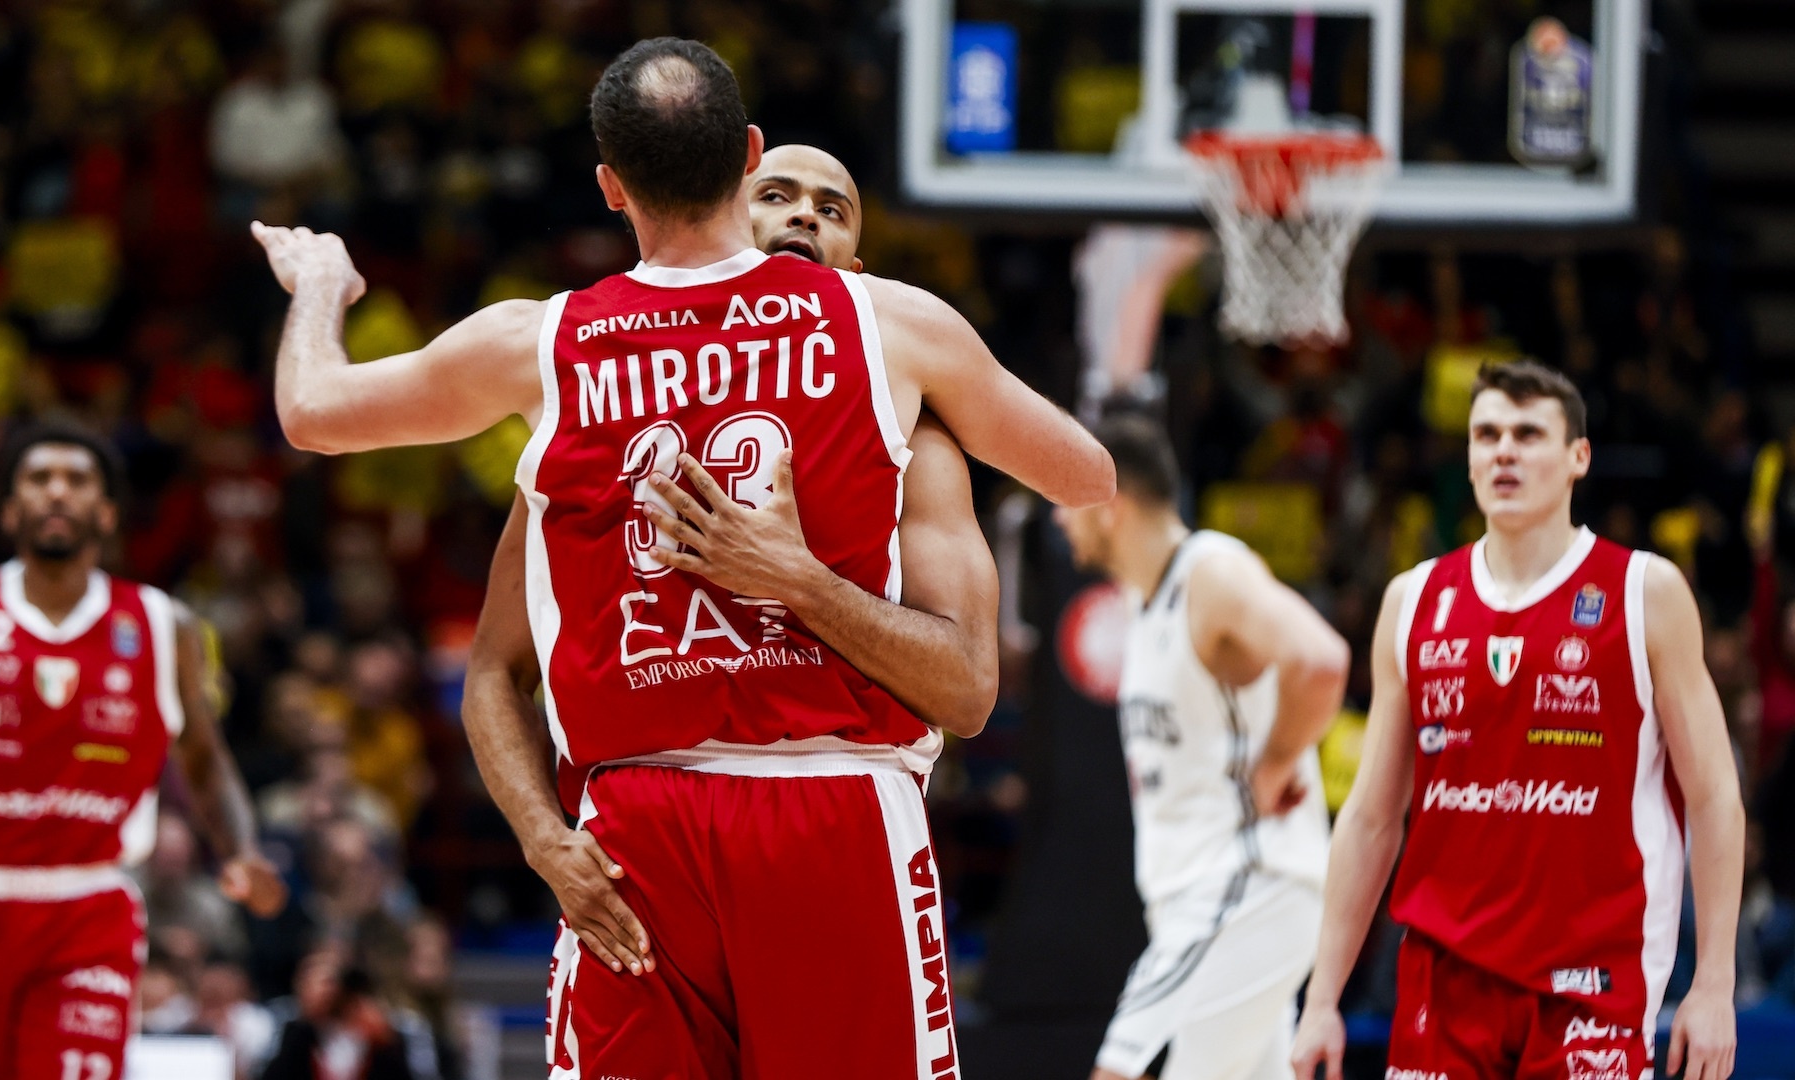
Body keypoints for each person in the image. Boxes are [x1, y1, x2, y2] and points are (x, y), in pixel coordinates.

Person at [464, 139, 1000, 1078]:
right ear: (720, 222)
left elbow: (967, 691)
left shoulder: (910, 434)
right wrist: (545, 842)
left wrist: (801, 581)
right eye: (780, 196)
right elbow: (491, 671)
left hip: (832, 808)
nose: (805, 217)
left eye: (833, 210)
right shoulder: (589, 400)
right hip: (645, 822)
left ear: (859, 275)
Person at [1290, 361, 1744, 1080]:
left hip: (1592, 987)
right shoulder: (1412, 602)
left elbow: (1716, 795)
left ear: (1577, 458)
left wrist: (1714, 983)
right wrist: (1322, 998)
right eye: (1487, 434)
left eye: (1529, 434)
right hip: (1443, 981)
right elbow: (1374, 817)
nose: (1504, 450)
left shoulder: (1644, 592)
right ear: (1467, 457)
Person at [0, 424, 287, 1078]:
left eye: (77, 480)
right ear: (10, 511)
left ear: (107, 512)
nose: (58, 492)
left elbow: (206, 763)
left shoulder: (161, 625)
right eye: (39, 479)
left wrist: (240, 851)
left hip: (88, 912)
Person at [1052, 413, 1348, 1080]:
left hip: (1243, 889)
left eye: (1064, 501)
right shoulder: (1142, 598)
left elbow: (1322, 660)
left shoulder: (1210, 574)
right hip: (1212, 904)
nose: (1057, 519)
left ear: (1111, 506)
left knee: (1118, 1072)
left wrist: (1276, 761)